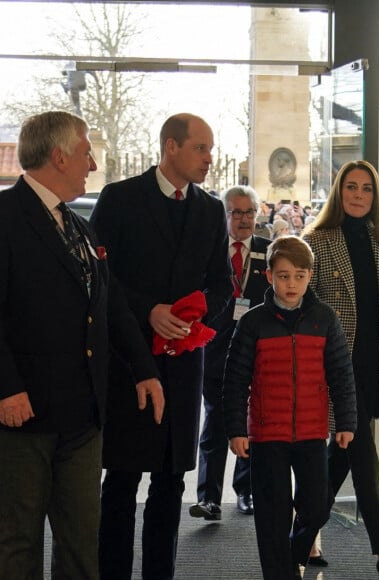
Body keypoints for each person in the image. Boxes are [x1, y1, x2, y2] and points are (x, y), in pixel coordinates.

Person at [0, 111, 164, 579]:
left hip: (83, 413)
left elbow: (111, 308)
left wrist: (145, 368)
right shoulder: (6, 219)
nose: (92, 164)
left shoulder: (80, 227)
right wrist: (5, 388)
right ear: (58, 155)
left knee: (80, 541)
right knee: (17, 540)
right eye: (87, 152)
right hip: (23, 413)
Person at [90, 113, 232, 579]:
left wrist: (194, 318)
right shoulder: (119, 198)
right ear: (171, 146)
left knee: (171, 482)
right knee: (122, 481)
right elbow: (98, 279)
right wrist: (149, 309)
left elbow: (222, 286)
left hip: (185, 364)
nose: (209, 159)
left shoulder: (212, 210)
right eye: (201, 149)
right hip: (131, 362)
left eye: (211, 150)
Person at [303, 160, 379, 580]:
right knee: (362, 456)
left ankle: (304, 531)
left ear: (375, 196)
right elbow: (303, 308)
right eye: (350, 187)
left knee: (343, 453)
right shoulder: (315, 241)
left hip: (373, 363)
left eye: (366, 189)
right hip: (334, 366)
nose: (358, 195)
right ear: (338, 192)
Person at [223, 235, 357, 580]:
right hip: (267, 434)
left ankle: (295, 554)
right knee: (272, 514)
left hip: (312, 432)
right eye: (283, 276)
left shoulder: (324, 319)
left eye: (299, 275)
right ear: (269, 276)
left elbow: (342, 373)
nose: (292, 283)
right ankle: (279, 572)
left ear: (310, 276)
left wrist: (346, 422)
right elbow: (235, 379)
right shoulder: (253, 322)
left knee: (316, 507)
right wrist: (236, 429)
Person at [189, 185, 271, 521]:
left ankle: (246, 491)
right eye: (236, 212)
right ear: (224, 215)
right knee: (216, 422)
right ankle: (209, 498)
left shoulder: (269, 251)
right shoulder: (208, 252)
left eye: (250, 212)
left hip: (256, 353)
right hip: (214, 349)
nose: (244, 219)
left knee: (250, 422)